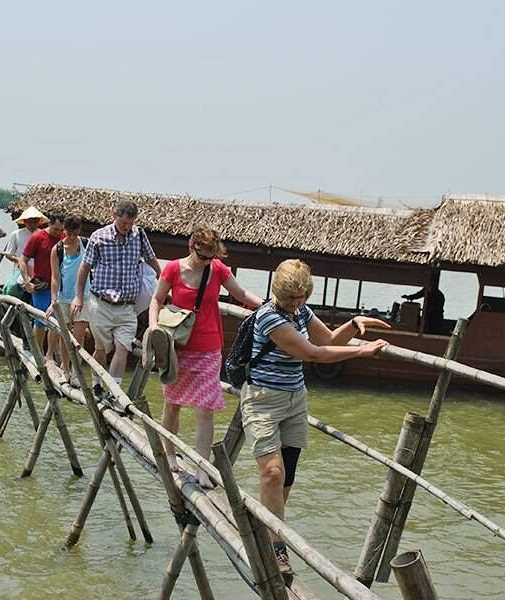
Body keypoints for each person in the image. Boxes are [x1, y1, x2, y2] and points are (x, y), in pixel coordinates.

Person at [241, 259, 391, 578]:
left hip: (295, 399)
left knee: (287, 477)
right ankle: (277, 546)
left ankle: (270, 528)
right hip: (263, 400)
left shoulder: (301, 311)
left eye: (301, 297)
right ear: (276, 293)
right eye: (289, 299)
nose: (295, 304)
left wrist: (353, 324)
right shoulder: (269, 316)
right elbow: (312, 354)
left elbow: (326, 342)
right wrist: (362, 352)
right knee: (271, 473)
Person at [148, 226, 263, 489]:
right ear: (192, 247)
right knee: (172, 404)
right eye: (203, 257)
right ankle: (169, 453)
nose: (207, 263)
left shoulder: (218, 269)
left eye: (212, 258)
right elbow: (156, 299)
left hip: (209, 348)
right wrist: (154, 327)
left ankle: (202, 467)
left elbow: (241, 294)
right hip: (178, 347)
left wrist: (268, 305)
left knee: (205, 410)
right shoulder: (173, 269)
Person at [72, 200, 162, 396]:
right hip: (101, 303)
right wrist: (79, 296)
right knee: (102, 349)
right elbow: (85, 267)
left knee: (123, 348)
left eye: (130, 224)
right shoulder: (99, 236)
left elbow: (151, 258)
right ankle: (97, 383)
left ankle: (114, 393)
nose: (127, 228)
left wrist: (164, 281)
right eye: (123, 223)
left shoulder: (139, 235)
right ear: (114, 215)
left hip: (127, 306)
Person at [46, 216, 90, 370]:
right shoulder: (57, 250)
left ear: (79, 231)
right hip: (64, 297)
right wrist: (53, 301)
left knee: (79, 337)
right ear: (64, 230)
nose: (71, 237)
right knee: (65, 336)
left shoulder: (86, 244)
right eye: (69, 233)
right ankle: (65, 368)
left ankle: (76, 370)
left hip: (84, 296)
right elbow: (55, 277)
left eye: (74, 233)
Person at [19, 213, 66, 351]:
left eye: (61, 230)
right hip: (41, 285)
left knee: (57, 320)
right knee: (41, 319)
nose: (58, 233)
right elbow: (23, 260)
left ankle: (51, 353)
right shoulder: (38, 237)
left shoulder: (64, 238)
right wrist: (26, 280)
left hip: (59, 286)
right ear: (49, 224)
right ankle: (38, 352)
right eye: (56, 229)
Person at [2, 206, 48, 300]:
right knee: (14, 292)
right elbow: (8, 254)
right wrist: (19, 260)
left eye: (35, 221)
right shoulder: (16, 234)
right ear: (24, 222)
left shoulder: (43, 235)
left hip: (38, 273)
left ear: (39, 221)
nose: (32, 224)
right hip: (21, 271)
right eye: (29, 222)